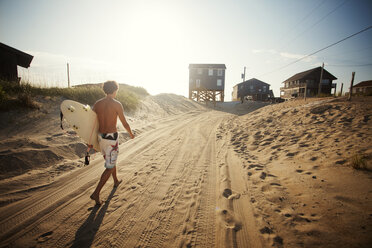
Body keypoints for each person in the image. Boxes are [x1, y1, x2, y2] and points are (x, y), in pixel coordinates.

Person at [90, 81, 135, 205]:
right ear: (115, 90)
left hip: (101, 138)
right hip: (111, 139)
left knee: (110, 160)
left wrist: (90, 141)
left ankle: (115, 181)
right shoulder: (116, 104)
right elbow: (124, 123)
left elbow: (92, 124)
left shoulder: (97, 104)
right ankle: (96, 193)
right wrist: (131, 134)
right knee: (109, 166)